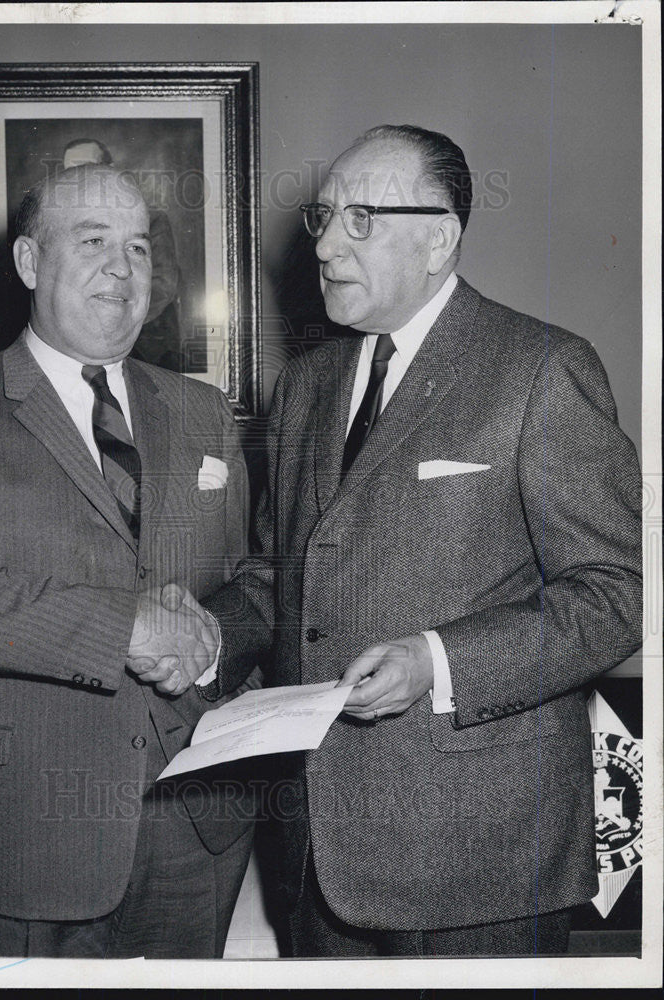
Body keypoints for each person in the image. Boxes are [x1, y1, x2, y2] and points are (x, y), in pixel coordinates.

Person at [148, 124, 643, 956]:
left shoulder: (541, 369)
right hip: (318, 852)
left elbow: (616, 593)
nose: (327, 244)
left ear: (440, 239)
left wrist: (439, 661)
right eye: (324, 217)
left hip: (479, 858)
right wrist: (203, 639)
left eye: (363, 220)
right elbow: (281, 575)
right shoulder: (306, 384)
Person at [0, 164, 255, 959]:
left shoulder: (202, 410)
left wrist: (214, 639)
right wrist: (129, 629)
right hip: (19, 831)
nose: (123, 270)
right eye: (92, 242)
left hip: (195, 828)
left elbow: (258, 578)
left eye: (139, 247)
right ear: (28, 263)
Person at [62, 137, 184, 370]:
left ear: (110, 169)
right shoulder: (60, 224)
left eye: (85, 169)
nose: (76, 180)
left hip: (144, 345)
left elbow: (162, 285)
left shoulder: (151, 219)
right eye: (69, 172)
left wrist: (110, 326)